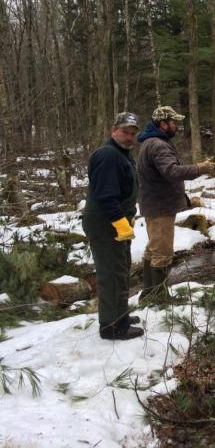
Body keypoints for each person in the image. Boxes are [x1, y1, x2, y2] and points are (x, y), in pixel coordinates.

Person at [136, 106, 215, 302]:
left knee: (154, 248)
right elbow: (172, 172)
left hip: (154, 204)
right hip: (160, 206)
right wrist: (200, 168)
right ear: (163, 124)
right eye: (174, 123)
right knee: (162, 252)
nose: (177, 127)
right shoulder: (158, 145)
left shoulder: (151, 142)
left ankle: (150, 294)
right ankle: (158, 297)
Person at [82, 112, 144, 340]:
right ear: (113, 130)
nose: (129, 137)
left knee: (121, 268)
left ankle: (120, 315)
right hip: (106, 223)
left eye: (132, 133)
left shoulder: (122, 154)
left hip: (116, 222)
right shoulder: (108, 156)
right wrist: (119, 223)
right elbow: (106, 195)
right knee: (111, 273)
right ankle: (112, 327)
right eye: (124, 132)